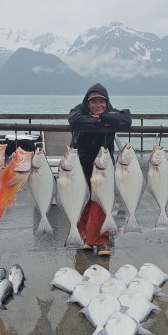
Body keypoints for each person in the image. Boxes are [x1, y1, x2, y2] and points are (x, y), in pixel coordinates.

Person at [68, 83, 131, 256]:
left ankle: (102, 242)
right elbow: (74, 119)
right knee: (83, 204)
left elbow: (126, 119)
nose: (98, 105)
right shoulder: (78, 111)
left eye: (101, 101)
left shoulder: (112, 113)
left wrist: (104, 118)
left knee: (102, 205)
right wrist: (101, 121)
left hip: (104, 169)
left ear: (107, 101)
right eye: (94, 101)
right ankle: (86, 238)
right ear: (87, 103)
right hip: (82, 166)